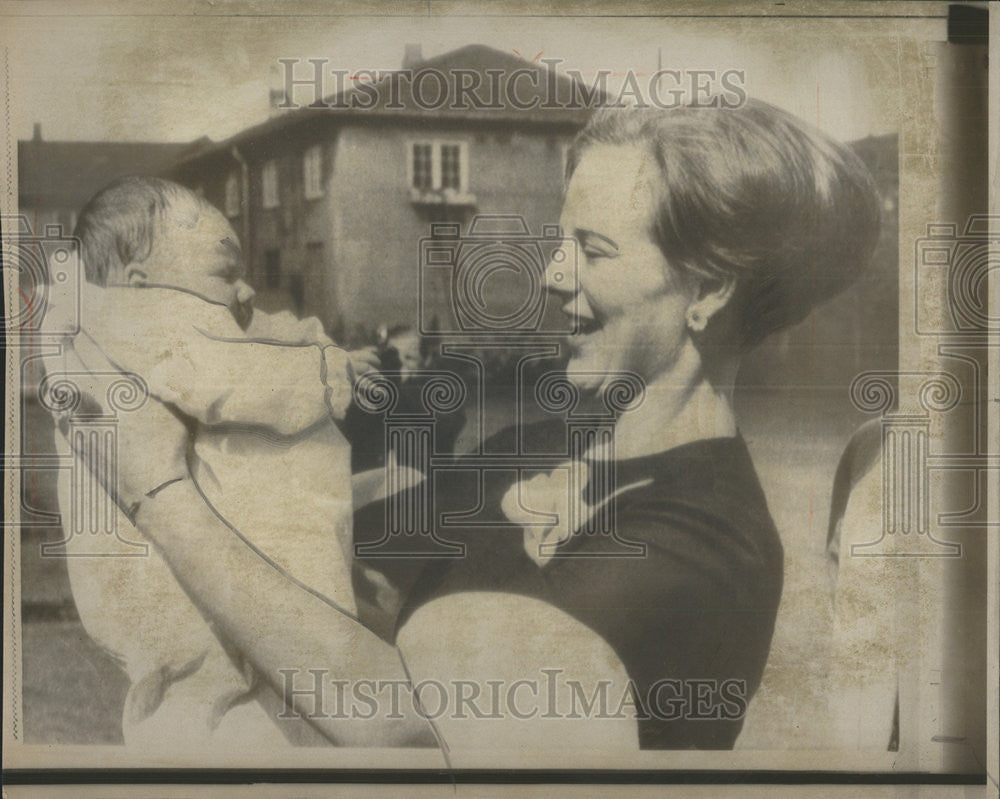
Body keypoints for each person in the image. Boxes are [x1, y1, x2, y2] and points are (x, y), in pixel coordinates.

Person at [65, 99, 881, 753]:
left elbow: (404, 728)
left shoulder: (703, 547)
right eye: (560, 241)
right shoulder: (540, 442)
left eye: (592, 250)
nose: (552, 275)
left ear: (707, 291)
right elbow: (342, 548)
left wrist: (158, 489)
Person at [41, 177, 378, 748]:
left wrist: (312, 342)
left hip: (174, 629)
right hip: (187, 616)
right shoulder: (142, 323)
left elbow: (260, 334)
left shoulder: (100, 325)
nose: (246, 290)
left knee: (190, 714)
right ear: (137, 283)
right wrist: (329, 373)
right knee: (243, 722)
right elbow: (241, 375)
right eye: (225, 272)